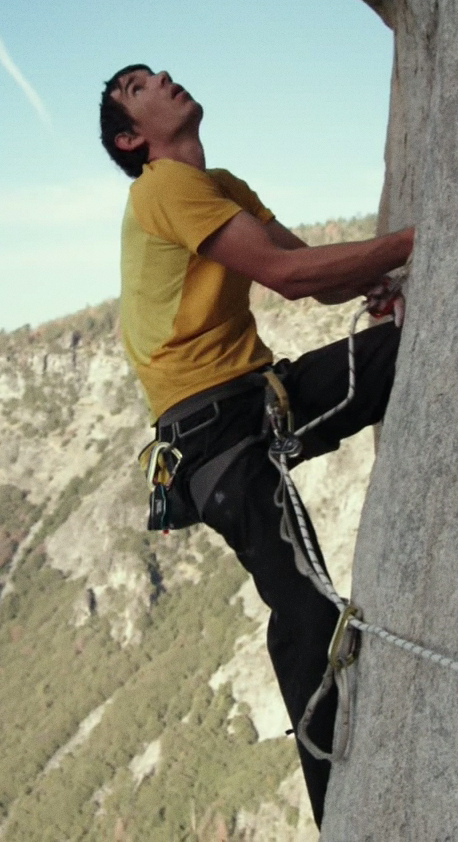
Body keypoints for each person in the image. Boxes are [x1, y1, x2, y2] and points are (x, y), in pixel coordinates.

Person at [99, 63, 414, 825]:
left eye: (158, 71)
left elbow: (321, 277)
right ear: (133, 137)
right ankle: (339, 812)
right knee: (305, 613)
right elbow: (290, 278)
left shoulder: (218, 185)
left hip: (252, 406)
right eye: (141, 86)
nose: (164, 78)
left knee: (395, 352)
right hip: (215, 440)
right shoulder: (160, 188)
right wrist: (420, 238)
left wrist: (381, 275)